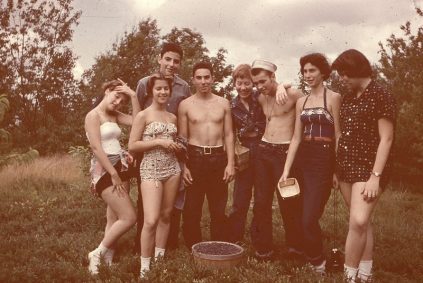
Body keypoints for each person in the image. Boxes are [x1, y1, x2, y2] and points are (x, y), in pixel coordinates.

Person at [331, 49, 396, 282]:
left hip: (370, 169)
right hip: (346, 166)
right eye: (340, 74)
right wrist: (336, 170)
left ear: (358, 70)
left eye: (345, 73)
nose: (342, 78)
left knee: (358, 221)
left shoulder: (381, 94)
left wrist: (375, 176)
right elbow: (344, 136)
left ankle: (348, 276)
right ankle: (366, 274)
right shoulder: (349, 97)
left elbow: (386, 139)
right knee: (361, 221)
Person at [280, 53, 341, 273]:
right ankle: (314, 257)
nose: (308, 75)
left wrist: (336, 170)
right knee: (297, 211)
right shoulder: (301, 102)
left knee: (309, 216)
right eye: (304, 71)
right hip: (302, 157)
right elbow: (296, 137)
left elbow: (338, 136)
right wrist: (286, 170)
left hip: (323, 158)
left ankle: (319, 262)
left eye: (312, 70)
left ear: (323, 72)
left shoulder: (333, 97)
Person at [134, 42, 190, 253]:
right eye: (168, 59)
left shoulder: (183, 87)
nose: (171, 64)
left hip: (173, 151)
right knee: (147, 204)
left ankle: (167, 246)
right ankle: (141, 250)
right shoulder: (145, 83)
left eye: (176, 61)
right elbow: (137, 114)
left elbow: (183, 119)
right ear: (159, 58)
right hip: (148, 150)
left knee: (171, 205)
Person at [227, 64, 289, 244]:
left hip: (264, 148)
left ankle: (261, 241)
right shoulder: (232, 105)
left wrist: (283, 87)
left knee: (262, 200)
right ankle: (234, 239)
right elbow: (230, 134)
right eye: (239, 83)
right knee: (240, 198)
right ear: (234, 84)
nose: (243, 88)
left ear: (252, 84)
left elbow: (282, 85)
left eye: (247, 83)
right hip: (245, 151)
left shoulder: (261, 97)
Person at [128, 73, 182, 278]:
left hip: (172, 169)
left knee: (166, 216)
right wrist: (158, 142)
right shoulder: (143, 115)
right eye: (158, 88)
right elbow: (133, 145)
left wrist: (177, 148)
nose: (162, 92)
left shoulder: (172, 117)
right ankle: (144, 267)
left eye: (166, 89)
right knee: (150, 220)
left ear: (170, 91)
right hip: (150, 169)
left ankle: (159, 260)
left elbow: (174, 143)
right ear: (151, 91)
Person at [85, 79, 140, 275]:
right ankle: (97, 253)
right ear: (107, 90)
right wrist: (114, 173)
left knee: (113, 216)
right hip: (105, 170)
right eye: (117, 96)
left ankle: (106, 258)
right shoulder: (93, 116)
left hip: (121, 166)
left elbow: (137, 120)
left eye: (122, 100)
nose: (118, 102)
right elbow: (96, 147)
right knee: (129, 217)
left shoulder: (114, 115)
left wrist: (133, 96)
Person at [250, 59, 303, 260]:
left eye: (263, 81)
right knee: (261, 202)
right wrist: (275, 87)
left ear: (273, 76)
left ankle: (295, 247)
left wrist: (283, 85)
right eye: (256, 83)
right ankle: (264, 249)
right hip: (264, 151)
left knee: (288, 201)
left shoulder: (292, 95)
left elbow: (310, 98)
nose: (259, 86)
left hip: (284, 152)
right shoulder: (262, 98)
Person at [179, 61, 235, 249]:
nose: (203, 81)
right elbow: (182, 138)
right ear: (193, 80)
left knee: (218, 208)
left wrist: (230, 163)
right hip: (194, 157)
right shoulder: (185, 105)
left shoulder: (223, 103)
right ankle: (193, 247)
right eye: (199, 78)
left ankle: (217, 245)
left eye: (207, 77)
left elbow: (229, 134)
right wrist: (183, 166)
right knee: (192, 208)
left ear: (213, 78)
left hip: (219, 158)